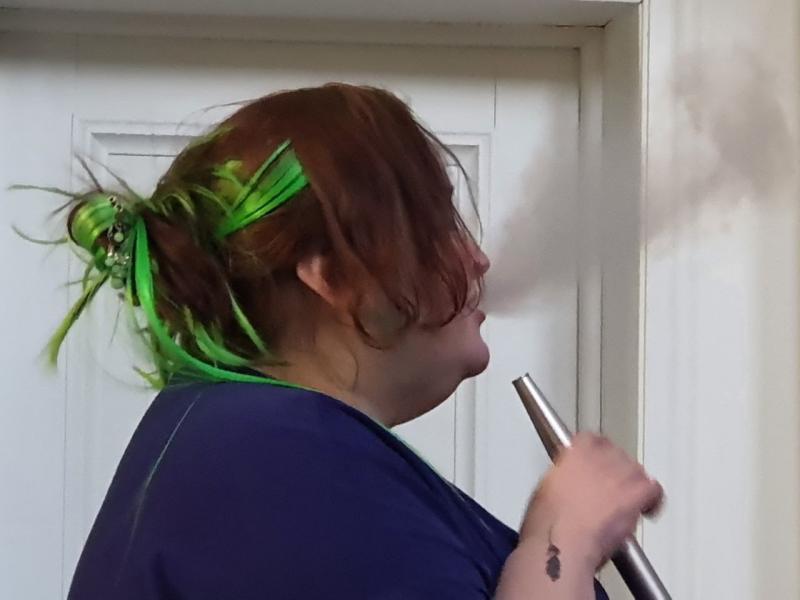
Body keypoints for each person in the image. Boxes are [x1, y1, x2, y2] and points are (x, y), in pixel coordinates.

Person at [36, 83, 661, 599]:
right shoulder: (278, 461)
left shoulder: (245, 440)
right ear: (332, 275)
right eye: (438, 226)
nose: (477, 259)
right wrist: (562, 538)